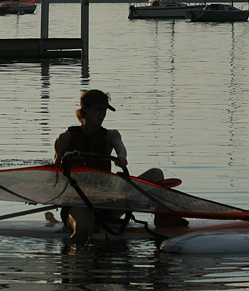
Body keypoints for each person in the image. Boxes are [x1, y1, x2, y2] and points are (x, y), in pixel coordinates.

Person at [52, 89, 165, 242]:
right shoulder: (65, 138)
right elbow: (54, 173)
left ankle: (164, 220)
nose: (103, 114)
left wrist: (121, 157)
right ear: (85, 109)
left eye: (105, 110)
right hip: (78, 205)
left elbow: (120, 146)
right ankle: (73, 263)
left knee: (156, 174)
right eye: (99, 109)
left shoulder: (110, 135)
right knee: (84, 229)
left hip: (108, 203)